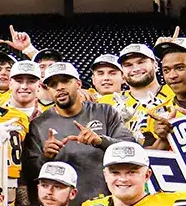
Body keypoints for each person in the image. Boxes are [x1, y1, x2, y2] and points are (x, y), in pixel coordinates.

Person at [23, 63, 137, 197]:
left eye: (65, 81)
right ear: (48, 90)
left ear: (78, 84)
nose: (60, 87)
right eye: (53, 84)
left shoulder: (105, 112)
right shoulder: (38, 124)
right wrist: (45, 157)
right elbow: (29, 174)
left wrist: (100, 141)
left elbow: (132, 149)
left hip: (105, 204)